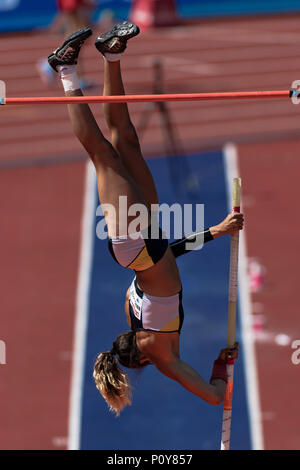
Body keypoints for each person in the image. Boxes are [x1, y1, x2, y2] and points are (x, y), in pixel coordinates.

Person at [47, 22, 242, 417]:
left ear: (143, 359)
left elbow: (213, 395)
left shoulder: (164, 355)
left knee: (103, 155)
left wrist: (223, 368)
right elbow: (166, 257)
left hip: (135, 241)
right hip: (147, 241)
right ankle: (112, 53)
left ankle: (65, 69)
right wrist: (216, 232)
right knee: (126, 139)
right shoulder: (134, 313)